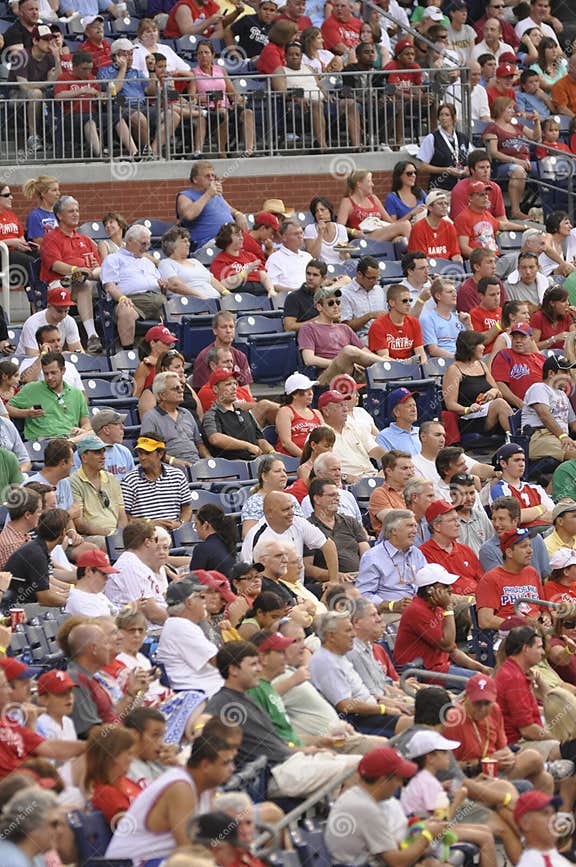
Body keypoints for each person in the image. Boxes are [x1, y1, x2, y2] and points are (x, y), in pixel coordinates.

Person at [105, 735, 236, 863]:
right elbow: (187, 850)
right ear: (205, 765)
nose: (232, 769)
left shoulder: (207, 788)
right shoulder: (180, 787)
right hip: (131, 862)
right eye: (225, 763)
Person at [326, 746, 444, 865]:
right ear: (383, 780)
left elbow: (393, 846)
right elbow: (398, 863)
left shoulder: (356, 797)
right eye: (399, 779)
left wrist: (419, 836)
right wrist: (426, 835)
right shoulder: (365, 808)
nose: (401, 785)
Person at [394, 563, 489, 679]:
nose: (451, 589)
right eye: (445, 586)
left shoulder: (437, 608)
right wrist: (448, 607)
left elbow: (453, 651)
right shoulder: (416, 610)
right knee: (480, 681)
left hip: (438, 668)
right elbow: (447, 645)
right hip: (421, 672)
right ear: (430, 590)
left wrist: (481, 668)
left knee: (484, 676)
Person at [39, 196, 102, 353]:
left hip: (88, 281)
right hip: (58, 283)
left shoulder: (85, 239)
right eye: (71, 211)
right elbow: (55, 265)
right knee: (82, 282)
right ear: (60, 215)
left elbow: (98, 264)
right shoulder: (50, 238)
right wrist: (75, 270)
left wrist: (94, 268)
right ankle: (92, 335)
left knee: (96, 277)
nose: (76, 214)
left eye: (77, 211)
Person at [100, 224, 169, 351]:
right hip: (133, 301)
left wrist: (163, 286)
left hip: (158, 300)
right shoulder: (113, 259)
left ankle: (175, 353)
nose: (147, 248)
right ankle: (128, 353)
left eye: (148, 244)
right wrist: (121, 298)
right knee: (125, 309)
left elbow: (161, 286)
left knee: (180, 310)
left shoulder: (147, 261)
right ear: (130, 241)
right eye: (143, 244)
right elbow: (110, 286)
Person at [298, 285, 383, 386]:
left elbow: (365, 354)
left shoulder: (344, 328)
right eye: (330, 303)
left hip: (353, 373)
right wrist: (343, 362)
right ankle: (392, 363)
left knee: (378, 364)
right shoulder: (308, 328)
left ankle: (390, 363)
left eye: (338, 302)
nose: (336, 306)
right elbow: (309, 360)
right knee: (348, 351)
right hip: (326, 376)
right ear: (319, 307)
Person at [495, 625, 560, 756]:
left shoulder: (516, 671)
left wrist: (539, 682)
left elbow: (554, 704)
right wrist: (561, 739)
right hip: (516, 745)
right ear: (525, 649)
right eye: (539, 647)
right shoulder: (514, 678)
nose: (543, 652)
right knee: (568, 748)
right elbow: (528, 731)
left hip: (526, 737)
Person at [242, 491, 338, 579]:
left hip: (300, 589)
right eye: (286, 509)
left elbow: (328, 545)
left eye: (292, 507)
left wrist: (334, 581)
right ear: (269, 513)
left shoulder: (298, 522)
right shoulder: (256, 536)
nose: (292, 512)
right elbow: (252, 576)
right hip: (274, 592)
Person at [155, 576, 223, 696]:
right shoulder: (181, 626)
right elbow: (218, 661)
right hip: (199, 694)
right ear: (189, 602)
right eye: (201, 597)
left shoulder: (180, 624)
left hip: (209, 690)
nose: (205, 601)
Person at [442, 331, 513, 436]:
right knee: (499, 404)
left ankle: (515, 437)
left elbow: (499, 393)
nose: (484, 347)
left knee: (500, 402)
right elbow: (450, 404)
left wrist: (493, 391)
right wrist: (467, 409)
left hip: (486, 411)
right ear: (470, 347)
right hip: (468, 417)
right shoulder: (454, 370)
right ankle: (517, 439)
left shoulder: (482, 365)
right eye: (480, 344)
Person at [9, 351, 90, 442]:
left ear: (63, 370)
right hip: (43, 441)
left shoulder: (77, 393)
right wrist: (26, 413)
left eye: (53, 373)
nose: (49, 377)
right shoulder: (31, 388)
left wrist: (82, 431)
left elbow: (86, 422)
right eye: (46, 374)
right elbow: (7, 408)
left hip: (70, 440)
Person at [483, 97, 542, 220]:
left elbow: (535, 137)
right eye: (509, 108)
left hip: (525, 162)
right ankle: (516, 211)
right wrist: (515, 160)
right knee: (518, 170)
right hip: (503, 165)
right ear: (500, 110)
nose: (512, 111)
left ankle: (549, 209)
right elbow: (493, 152)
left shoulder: (517, 125)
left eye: (513, 108)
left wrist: (536, 122)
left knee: (549, 169)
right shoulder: (492, 129)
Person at [356, 509, 427, 610]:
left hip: (419, 607)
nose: (415, 531)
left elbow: (427, 582)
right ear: (394, 530)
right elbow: (363, 594)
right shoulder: (373, 557)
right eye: (410, 526)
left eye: (415, 526)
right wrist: (392, 605)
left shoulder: (416, 552)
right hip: (389, 612)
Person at [476, 528, 545, 630]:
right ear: (509, 552)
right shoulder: (491, 579)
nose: (530, 551)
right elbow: (485, 620)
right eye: (524, 547)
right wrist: (522, 626)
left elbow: (543, 609)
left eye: (530, 546)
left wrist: (546, 617)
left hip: (538, 630)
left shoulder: (532, 572)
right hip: (511, 635)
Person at [121, 434, 193, 529]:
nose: (142, 457)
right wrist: (149, 524)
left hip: (175, 532)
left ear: (160, 454)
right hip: (144, 535)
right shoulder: (129, 480)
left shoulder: (177, 475)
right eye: (140, 453)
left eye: (147, 453)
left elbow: (187, 508)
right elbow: (124, 516)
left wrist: (180, 524)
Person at [201, 368, 274, 460]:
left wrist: (272, 452)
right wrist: (247, 446)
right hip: (231, 467)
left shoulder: (245, 413)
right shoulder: (212, 415)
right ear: (215, 389)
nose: (234, 387)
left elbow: (260, 439)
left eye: (235, 383)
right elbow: (215, 438)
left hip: (256, 464)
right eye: (228, 384)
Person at [4, 508, 70, 608]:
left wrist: (71, 594)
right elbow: (45, 599)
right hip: (15, 608)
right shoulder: (36, 554)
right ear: (63, 533)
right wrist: (72, 603)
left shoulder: (36, 548)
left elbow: (45, 588)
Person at [141, 371, 209, 467]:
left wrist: (210, 461)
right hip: (170, 468)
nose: (181, 390)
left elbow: (199, 445)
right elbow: (149, 449)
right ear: (162, 395)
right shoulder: (151, 417)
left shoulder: (187, 414)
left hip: (197, 465)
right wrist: (173, 461)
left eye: (182, 387)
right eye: (176, 388)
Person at [104, 520, 168, 622]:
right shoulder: (130, 567)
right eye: (155, 540)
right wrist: (181, 618)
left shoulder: (138, 564)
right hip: (140, 630)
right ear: (147, 542)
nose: (157, 544)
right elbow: (152, 613)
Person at [306, 478, 369, 580]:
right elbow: (307, 568)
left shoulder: (350, 521)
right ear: (317, 499)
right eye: (331, 495)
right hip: (329, 583)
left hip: (358, 578)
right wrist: (335, 575)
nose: (337, 498)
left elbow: (367, 554)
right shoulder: (308, 526)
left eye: (337, 495)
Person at [176, 160, 246, 251]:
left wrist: (238, 214)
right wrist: (208, 194)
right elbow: (188, 215)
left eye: (213, 176)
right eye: (207, 176)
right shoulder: (185, 196)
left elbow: (229, 209)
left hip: (231, 240)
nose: (211, 179)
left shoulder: (215, 194)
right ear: (195, 179)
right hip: (210, 244)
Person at [420, 498, 484, 596]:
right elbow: (435, 593)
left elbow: (482, 580)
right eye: (452, 520)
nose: (458, 524)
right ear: (437, 526)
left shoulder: (465, 549)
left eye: (457, 519)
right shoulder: (424, 554)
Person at [70, 434, 127, 541]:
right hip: (92, 536)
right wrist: (111, 534)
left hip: (116, 533)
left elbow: (122, 513)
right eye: (97, 452)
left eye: (103, 451)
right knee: (107, 544)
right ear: (84, 457)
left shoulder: (112, 478)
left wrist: (120, 534)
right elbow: (80, 523)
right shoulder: (73, 482)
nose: (103, 456)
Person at [319, 390, 385, 481]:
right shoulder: (319, 436)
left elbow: (375, 450)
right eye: (340, 406)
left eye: (345, 405)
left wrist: (393, 462)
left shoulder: (357, 427)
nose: (345, 409)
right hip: (346, 483)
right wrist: (344, 477)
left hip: (372, 477)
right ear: (326, 411)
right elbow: (319, 469)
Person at [522, 354, 576, 462]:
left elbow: (573, 423)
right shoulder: (539, 388)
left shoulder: (562, 394)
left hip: (559, 438)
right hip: (539, 438)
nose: (569, 376)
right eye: (564, 372)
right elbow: (544, 415)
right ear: (551, 373)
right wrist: (563, 436)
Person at [480, 496, 551, 576]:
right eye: (494, 519)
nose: (496, 524)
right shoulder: (488, 549)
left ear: (515, 521)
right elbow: (497, 581)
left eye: (501, 519)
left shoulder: (535, 539)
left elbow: (546, 576)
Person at [337, 169, 411, 244]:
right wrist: (354, 232)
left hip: (379, 232)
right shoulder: (348, 201)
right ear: (359, 184)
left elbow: (390, 222)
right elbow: (339, 227)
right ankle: (417, 253)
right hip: (364, 238)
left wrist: (411, 214)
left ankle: (415, 253)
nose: (372, 184)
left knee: (400, 239)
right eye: (369, 181)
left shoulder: (373, 199)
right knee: (405, 225)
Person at [490, 443, 554, 527]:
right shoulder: (498, 489)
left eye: (523, 460)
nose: (522, 464)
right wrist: (541, 508)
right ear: (503, 463)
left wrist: (527, 517)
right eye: (516, 460)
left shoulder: (535, 488)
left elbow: (554, 515)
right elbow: (512, 518)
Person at [242, 457, 304, 538]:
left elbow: (304, 527)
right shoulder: (254, 502)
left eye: (284, 471)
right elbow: (247, 535)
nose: (284, 475)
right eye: (277, 471)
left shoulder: (291, 498)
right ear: (264, 476)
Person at [157, 227, 225, 300]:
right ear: (172, 245)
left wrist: (226, 293)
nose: (188, 244)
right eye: (184, 241)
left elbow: (212, 280)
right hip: (193, 304)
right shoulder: (166, 263)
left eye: (188, 241)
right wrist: (199, 296)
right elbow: (175, 285)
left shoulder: (195, 261)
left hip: (214, 300)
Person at [191, 311, 252, 391]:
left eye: (231, 327)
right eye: (224, 327)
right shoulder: (204, 357)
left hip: (239, 400)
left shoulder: (241, 356)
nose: (228, 331)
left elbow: (246, 391)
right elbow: (204, 393)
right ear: (215, 330)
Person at [416, 103, 472, 191]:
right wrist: (446, 170)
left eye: (447, 115)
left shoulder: (463, 137)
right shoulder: (432, 138)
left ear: (454, 118)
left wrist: (467, 169)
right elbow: (423, 167)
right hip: (440, 188)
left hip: (462, 188)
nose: (443, 118)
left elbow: (473, 159)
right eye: (441, 115)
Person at [209, 222, 275, 297]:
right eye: (237, 235)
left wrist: (271, 290)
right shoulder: (219, 261)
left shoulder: (250, 256)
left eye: (241, 235)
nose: (241, 238)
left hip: (261, 292)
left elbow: (264, 276)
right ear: (227, 237)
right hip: (240, 295)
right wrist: (245, 272)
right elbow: (223, 284)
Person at [491, 323, 546, 409]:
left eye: (523, 337)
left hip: (545, 404)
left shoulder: (541, 359)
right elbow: (499, 384)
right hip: (519, 408)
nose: (518, 340)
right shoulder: (505, 355)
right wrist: (521, 404)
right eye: (515, 337)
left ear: (531, 339)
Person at [368, 283, 426, 363]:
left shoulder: (414, 322)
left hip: (411, 368)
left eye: (410, 300)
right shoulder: (378, 325)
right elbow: (384, 359)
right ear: (392, 303)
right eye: (404, 301)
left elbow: (421, 354)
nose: (409, 304)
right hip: (389, 370)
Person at [515, 791, 574, 867]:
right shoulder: (535, 862)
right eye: (545, 813)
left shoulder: (550, 857)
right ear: (525, 823)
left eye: (553, 813)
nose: (553, 819)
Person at [19, 323, 84, 391]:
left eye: (58, 340)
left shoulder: (70, 366)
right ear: (40, 345)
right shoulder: (29, 362)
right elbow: (26, 380)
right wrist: (43, 354)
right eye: (52, 341)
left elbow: (82, 394)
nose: (57, 345)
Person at [340, 257, 387, 344]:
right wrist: (370, 316)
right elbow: (346, 327)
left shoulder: (379, 290)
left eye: (377, 278)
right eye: (371, 278)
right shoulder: (345, 293)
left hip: (383, 335)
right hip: (360, 338)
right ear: (359, 274)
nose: (375, 282)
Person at [450, 149, 507, 222]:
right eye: (482, 168)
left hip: (490, 229)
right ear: (472, 170)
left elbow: (501, 217)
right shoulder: (460, 189)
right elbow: (461, 221)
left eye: (488, 167)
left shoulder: (495, 188)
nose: (486, 171)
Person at [420, 277, 470, 358]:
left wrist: (468, 325)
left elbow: (472, 345)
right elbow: (433, 350)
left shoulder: (460, 318)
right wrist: (458, 358)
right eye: (450, 292)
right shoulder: (427, 319)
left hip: (462, 361)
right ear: (438, 296)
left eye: (455, 291)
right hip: (443, 363)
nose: (455, 295)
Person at [407, 189, 463, 261]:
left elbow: (456, 254)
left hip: (446, 268)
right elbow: (420, 259)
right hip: (426, 268)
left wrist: (457, 265)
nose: (444, 206)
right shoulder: (419, 228)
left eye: (446, 203)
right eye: (440, 204)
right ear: (430, 208)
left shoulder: (449, 226)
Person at [367, 450, 413, 535]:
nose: (410, 473)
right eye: (405, 468)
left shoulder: (414, 492)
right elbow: (394, 522)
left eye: (411, 468)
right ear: (389, 471)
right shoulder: (379, 494)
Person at [64, 549, 119, 617]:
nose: (107, 578)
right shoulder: (79, 600)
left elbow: (120, 616)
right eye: (104, 574)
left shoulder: (99, 595)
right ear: (88, 571)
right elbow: (104, 626)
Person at [454, 182, 502, 258]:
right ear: (470, 198)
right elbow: (464, 248)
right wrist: (483, 258)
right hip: (480, 261)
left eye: (486, 194)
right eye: (481, 195)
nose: (485, 197)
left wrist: (525, 226)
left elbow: (501, 225)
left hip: (495, 257)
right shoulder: (463, 217)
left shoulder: (486, 214)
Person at [449, 473, 494, 554]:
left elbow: (492, 546)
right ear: (452, 495)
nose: (469, 498)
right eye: (464, 494)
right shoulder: (446, 521)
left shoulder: (481, 517)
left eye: (472, 493)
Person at [189, 504, 237, 579]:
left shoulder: (201, 549)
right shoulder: (226, 542)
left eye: (196, 523)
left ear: (205, 525)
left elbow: (193, 582)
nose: (195, 527)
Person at [0, 486, 41, 569]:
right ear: (28, 515)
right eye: (39, 511)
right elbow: (24, 580)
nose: (41, 515)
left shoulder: (22, 536)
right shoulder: (13, 546)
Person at [265, 220, 312, 292]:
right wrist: (297, 292)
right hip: (289, 299)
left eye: (301, 233)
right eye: (296, 234)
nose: (300, 237)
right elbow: (271, 285)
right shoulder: (275, 259)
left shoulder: (307, 256)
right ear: (284, 237)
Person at [457, 248, 506, 314]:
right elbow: (474, 318)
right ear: (477, 267)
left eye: (494, 262)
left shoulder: (496, 282)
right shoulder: (466, 290)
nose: (494, 266)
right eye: (489, 262)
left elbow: (505, 309)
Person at [90, 410, 135, 481]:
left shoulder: (124, 451)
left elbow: (132, 481)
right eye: (118, 424)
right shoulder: (86, 454)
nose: (123, 427)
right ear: (106, 430)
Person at [531, 286, 576, 351]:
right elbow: (532, 346)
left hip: (564, 357)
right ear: (552, 303)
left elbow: (574, 340)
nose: (567, 304)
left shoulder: (567, 316)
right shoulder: (538, 317)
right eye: (563, 301)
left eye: (567, 300)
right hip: (544, 358)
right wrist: (554, 339)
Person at [22, 174, 60, 246]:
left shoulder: (59, 213)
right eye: (54, 190)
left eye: (58, 190)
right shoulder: (35, 216)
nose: (58, 193)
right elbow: (39, 241)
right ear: (43, 193)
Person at [469, 278, 503, 353]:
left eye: (498, 293)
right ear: (481, 296)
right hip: (487, 355)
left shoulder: (503, 311)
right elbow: (480, 340)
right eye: (492, 295)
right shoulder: (474, 314)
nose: (497, 298)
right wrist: (499, 326)